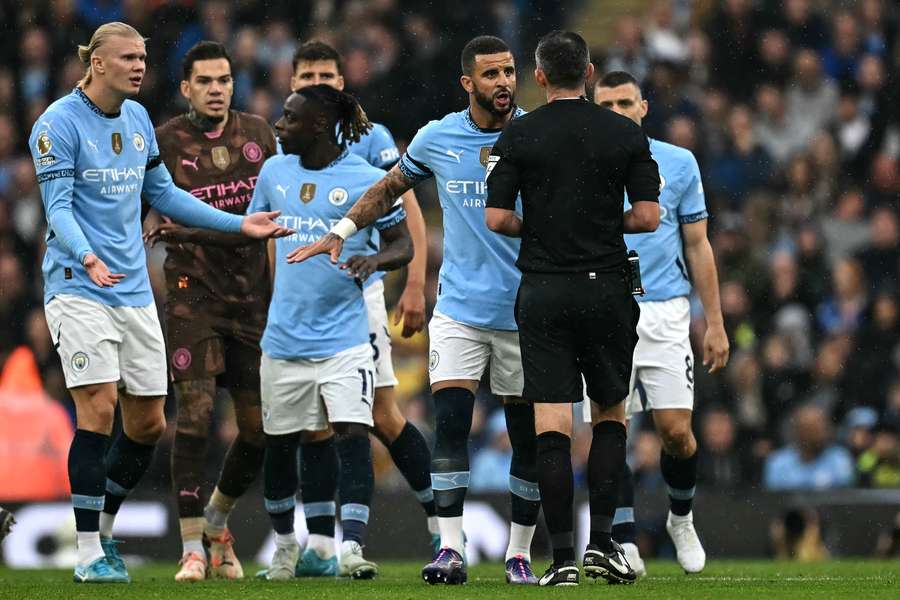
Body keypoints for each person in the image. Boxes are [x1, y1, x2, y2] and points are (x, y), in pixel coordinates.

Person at [27, 22, 288, 584]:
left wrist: (241, 225)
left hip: (133, 293)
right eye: (127, 58)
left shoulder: (139, 119)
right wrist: (87, 256)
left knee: (146, 423)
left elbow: (165, 194)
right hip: (78, 286)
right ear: (96, 63)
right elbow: (59, 208)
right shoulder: (57, 124)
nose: (140, 66)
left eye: (143, 57)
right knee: (97, 408)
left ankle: (105, 527)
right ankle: (88, 550)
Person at [288, 36, 543, 586]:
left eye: (508, 71)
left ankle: (518, 554)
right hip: (459, 311)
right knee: (450, 426)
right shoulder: (439, 136)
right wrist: (341, 231)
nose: (502, 81)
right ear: (467, 83)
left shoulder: (538, 134)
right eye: (491, 74)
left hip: (526, 311)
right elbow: (387, 190)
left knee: (525, 435)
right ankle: (449, 548)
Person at [485, 31, 660, 586]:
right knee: (610, 416)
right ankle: (603, 545)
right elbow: (650, 216)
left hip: (544, 291)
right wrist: (601, 225)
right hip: (607, 287)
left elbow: (496, 219)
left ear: (538, 76)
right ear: (590, 73)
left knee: (552, 428)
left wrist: (544, 228)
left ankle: (560, 560)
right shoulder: (624, 133)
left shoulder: (520, 133)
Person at [286, 41, 436, 575]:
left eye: (327, 73)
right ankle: (322, 547)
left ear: (342, 83)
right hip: (295, 305)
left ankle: (442, 525)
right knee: (312, 424)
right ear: (293, 81)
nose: (317, 82)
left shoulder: (371, 139)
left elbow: (405, 206)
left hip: (356, 296)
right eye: (308, 76)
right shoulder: (284, 138)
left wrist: (414, 282)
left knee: (378, 415)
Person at [251, 84, 412, 581]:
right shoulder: (274, 171)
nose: (278, 125)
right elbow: (256, 235)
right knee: (279, 445)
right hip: (283, 340)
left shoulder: (369, 179)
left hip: (344, 340)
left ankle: (352, 549)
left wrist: (374, 260)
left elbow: (402, 243)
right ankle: (283, 549)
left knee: (353, 437)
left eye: (289, 117)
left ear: (318, 125)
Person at [142, 41, 277, 582]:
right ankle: (192, 546)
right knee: (195, 413)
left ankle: (219, 519)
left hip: (252, 297)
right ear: (186, 88)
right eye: (205, 81)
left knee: (257, 429)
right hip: (190, 291)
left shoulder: (261, 136)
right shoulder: (165, 142)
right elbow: (140, 207)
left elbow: (279, 207)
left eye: (224, 79)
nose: (217, 89)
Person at [593, 70, 730, 577]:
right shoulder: (581, 165)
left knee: (677, 434)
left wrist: (713, 322)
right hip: (605, 309)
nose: (617, 112)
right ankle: (624, 540)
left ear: (643, 106)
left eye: (625, 103)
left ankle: (680, 516)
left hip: (667, 311)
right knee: (612, 429)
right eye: (605, 104)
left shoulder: (677, 162)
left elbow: (698, 245)